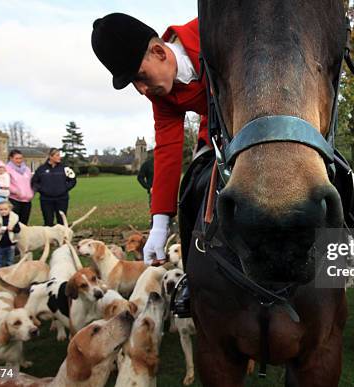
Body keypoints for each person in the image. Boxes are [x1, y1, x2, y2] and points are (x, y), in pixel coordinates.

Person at [92, 14, 212, 318]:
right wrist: (160, 224)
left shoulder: (212, 29)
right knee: (192, 192)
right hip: (216, 131)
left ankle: (344, 262)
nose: (142, 90)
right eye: (134, 83)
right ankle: (195, 280)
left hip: (277, 105)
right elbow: (168, 151)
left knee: (340, 176)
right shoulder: (162, 96)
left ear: (159, 52)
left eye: (140, 77)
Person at [31, 148, 77, 226]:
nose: (60, 157)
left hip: (62, 199)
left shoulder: (65, 168)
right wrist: (42, 190)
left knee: (62, 222)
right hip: (46, 200)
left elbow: (73, 180)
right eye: (57, 155)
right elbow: (34, 182)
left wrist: (64, 188)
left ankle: (62, 238)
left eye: (60, 155)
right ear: (50, 157)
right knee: (48, 222)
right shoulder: (41, 169)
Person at [6, 149, 34, 225]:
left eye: (20, 158)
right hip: (15, 200)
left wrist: (32, 192)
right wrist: (15, 191)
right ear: (11, 158)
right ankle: (13, 237)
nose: (19, 160)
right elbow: (5, 184)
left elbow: (31, 182)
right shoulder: (7, 169)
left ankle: (23, 237)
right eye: (16, 158)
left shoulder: (27, 169)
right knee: (14, 223)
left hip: (27, 200)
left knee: (24, 223)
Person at [0, 200, 20, 268]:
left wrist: (12, 229)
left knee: (10, 260)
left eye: (5, 209)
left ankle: (9, 274)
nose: (3, 211)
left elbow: (18, 230)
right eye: (1, 209)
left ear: (10, 209)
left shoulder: (14, 219)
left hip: (11, 244)